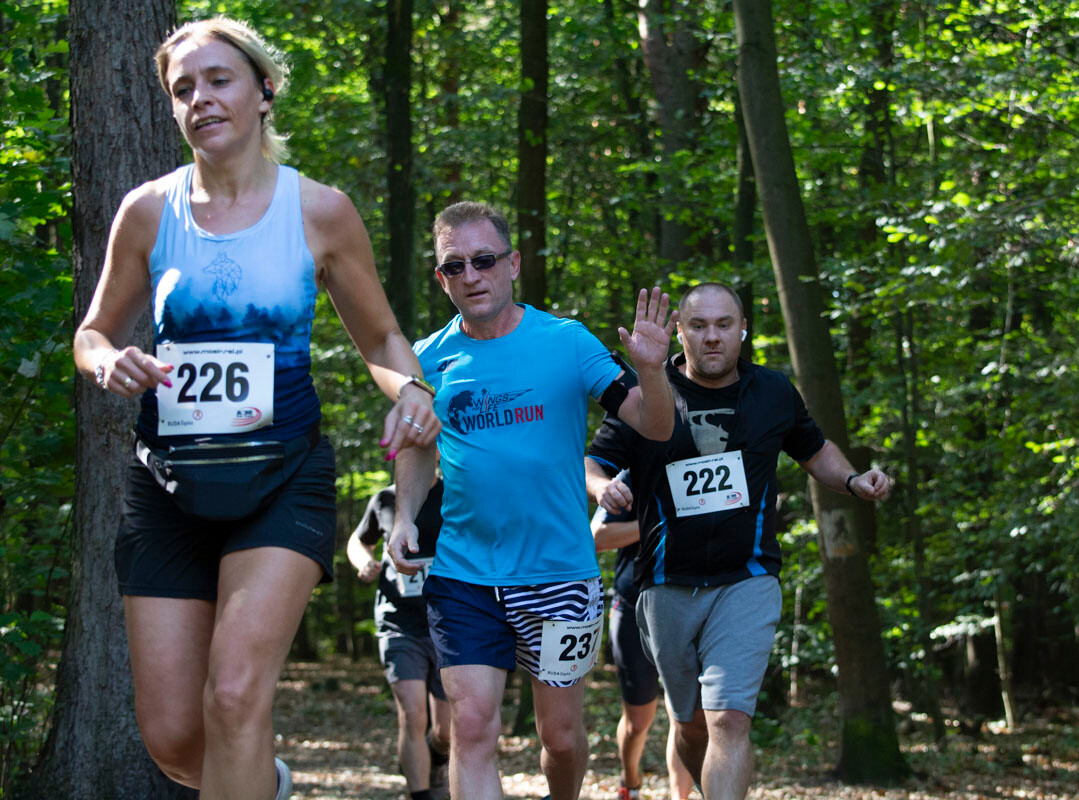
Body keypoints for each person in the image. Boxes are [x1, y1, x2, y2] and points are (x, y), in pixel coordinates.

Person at [72, 17, 439, 800]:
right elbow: (94, 331)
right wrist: (106, 360)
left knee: (236, 696)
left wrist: (412, 388)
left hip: (282, 481)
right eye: (183, 89)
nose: (200, 99)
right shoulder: (148, 211)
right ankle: (264, 784)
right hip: (166, 488)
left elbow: (381, 336)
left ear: (264, 91)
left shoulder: (319, 210)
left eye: (219, 80)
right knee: (175, 738)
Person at [385, 200, 678, 800]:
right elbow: (416, 447)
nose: (471, 276)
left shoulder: (567, 342)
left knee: (561, 739)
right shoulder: (427, 358)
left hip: (559, 573)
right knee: (471, 727)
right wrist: (405, 518)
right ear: (440, 278)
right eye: (455, 266)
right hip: (464, 574)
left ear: (513, 263)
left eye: (484, 260)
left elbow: (654, 425)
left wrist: (651, 371)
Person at [585, 282, 893, 800]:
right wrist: (602, 487)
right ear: (679, 331)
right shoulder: (649, 393)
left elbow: (814, 449)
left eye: (724, 325)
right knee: (690, 728)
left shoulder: (772, 391)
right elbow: (594, 462)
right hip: (664, 584)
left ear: (743, 329)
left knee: (728, 719)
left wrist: (852, 479)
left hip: (746, 579)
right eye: (699, 326)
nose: (712, 337)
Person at [591, 470, 693, 800]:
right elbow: (597, 536)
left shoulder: (706, 463)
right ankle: (630, 782)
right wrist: (661, 521)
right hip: (634, 607)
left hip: (689, 606)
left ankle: (680, 795)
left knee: (685, 717)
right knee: (638, 721)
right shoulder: (632, 474)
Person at [347, 480, 451, 800]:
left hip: (448, 624)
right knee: (412, 714)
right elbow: (358, 540)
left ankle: (436, 758)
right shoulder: (385, 499)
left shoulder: (455, 493)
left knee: (446, 732)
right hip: (398, 623)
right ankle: (419, 794)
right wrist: (364, 562)